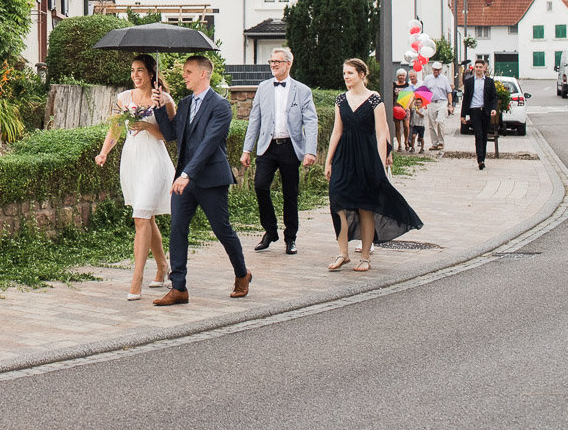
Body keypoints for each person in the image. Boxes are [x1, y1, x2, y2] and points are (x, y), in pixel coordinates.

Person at [151, 55, 251, 305]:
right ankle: (179, 288)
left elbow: (208, 144)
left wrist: (187, 174)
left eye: (188, 71)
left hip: (210, 179)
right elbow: (171, 134)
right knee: (177, 229)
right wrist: (160, 107)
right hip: (184, 179)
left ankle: (242, 274)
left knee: (222, 229)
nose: (184, 75)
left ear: (204, 74)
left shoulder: (221, 106)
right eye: (184, 71)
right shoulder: (184, 104)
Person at [323, 57, 423, 272]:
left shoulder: (374, 100)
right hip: (344, 156)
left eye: (350, 73)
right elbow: (336, 131)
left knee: (365, 207)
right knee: (337, 201)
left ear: (361, 75)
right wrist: (328, 160)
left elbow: (380, 134)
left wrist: (378, 163)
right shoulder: (341, 100)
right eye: (344, 73)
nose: (346, 77)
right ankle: (343, 253)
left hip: (367, 156)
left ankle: (366, 256)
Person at [95, 54, 176, 299]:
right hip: (132, 160)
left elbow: (170, 135)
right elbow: (116, 128)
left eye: (140, 70)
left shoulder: (164, 99)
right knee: (146, 218)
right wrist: (104, 152)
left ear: (151, 73)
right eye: (132, 70)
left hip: (154, 160)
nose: (136, 75)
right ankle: (163, 266)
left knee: (140, 217)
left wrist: (150, 127)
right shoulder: (124, 98)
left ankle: (136, 280)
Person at [239, 46, 317, 255]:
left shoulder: (302, 91)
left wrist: (310, 151)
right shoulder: (263, 87)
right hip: (267, 147)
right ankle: (270, 231)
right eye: (271, 62)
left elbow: (310, 121)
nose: (273, 65)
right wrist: (247, 149)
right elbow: (254, 119)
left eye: (277, 62)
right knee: (260, 186)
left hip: (291, 147)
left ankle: (290, 238)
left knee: (290, 194)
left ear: (288, 64)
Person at [460, 59, 499, 170]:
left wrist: (493, 109)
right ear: (474, 68)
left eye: (480, 67)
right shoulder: (469, 82)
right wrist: (463, 115)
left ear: (484, 68)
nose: (478, 69)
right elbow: (466, 99)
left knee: (484, 135)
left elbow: (494, 97)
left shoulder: (489, 82)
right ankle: (480, 160)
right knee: (478, 134)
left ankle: (483, 157)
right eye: (476, 67)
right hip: (474, 110)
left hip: (485, 111)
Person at [423, 61, 452, 150]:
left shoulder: (444, 79)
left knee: (440, 121)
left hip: (442, 102)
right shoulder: (427, 78)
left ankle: (441, 142)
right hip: (431, 102)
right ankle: (434, 143)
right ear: (432, 69)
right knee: (431, 124)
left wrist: (450, 104)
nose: (436, 71)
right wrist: (424, 103)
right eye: (435, 70)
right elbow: (424, 91)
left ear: (441, 70)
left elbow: (449, 92)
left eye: (438, 70)